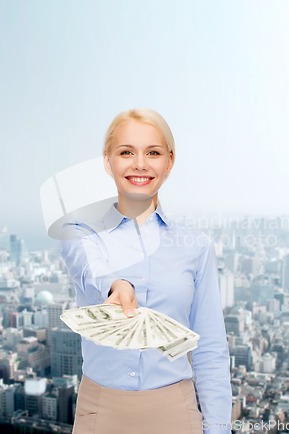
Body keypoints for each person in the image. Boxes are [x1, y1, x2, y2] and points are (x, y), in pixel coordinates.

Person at [60, 108, 232, 434]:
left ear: (170, 161)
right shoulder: (79, 231)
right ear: (108, 161)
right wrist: (116, 286)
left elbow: (210, 349)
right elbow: (89, 269)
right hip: (100, 412)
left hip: (176, 413)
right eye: (126, 152)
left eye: (152, 153)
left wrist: (218, 428)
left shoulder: (195, 246)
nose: (140, 164)